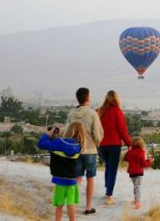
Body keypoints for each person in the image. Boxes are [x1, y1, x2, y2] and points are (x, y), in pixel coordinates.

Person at [67, 87, 104, 215]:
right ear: (88, 98)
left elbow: (67, 132)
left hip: (76, 150)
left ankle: (71, 205)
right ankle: (88, 207)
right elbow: (98, 135)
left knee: (77, 179)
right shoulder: (92, 114)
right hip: (90, 151)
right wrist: (97, 143)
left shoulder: (71, 114)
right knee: (90, 179)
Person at [38, 122, 86, 221]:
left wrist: (48, 134)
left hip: (60, 180)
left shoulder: (59, 142)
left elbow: (41, 144)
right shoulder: (80, 145)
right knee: (71, 204)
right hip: (72, 180)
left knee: (59, 205)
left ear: (69, 130)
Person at [97, 90, 132, 204]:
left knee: (108, 167)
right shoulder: (117, 111)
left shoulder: (99, 111)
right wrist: (129, 143)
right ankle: (109, 196)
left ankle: (107, 191)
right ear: (116, 99)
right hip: (113, 145)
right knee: (112, 170)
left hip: (101, 145)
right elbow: (122, 131)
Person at [123, 137, 154, 210]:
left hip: (131, 173)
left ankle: (135, 199)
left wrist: (129, 151)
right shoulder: (141, 152)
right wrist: (150, 161)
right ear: (141, 144)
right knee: (138, 187)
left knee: (135, 186)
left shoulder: (130, 152)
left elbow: (125, 159)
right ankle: (137, 202)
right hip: (138, 173)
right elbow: (143, 164)